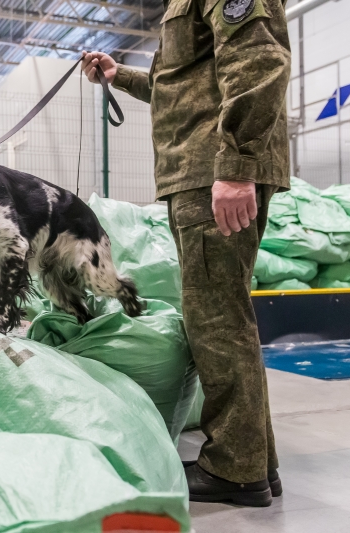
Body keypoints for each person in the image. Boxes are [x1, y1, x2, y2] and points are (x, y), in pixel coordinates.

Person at [82, 0, 291, 507]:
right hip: (198, 171)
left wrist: (237, 165)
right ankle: (253, 461)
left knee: (216, 318)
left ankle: (236, 471)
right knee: (224, 314)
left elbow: (261, 62)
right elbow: (183, 87)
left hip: (210, 171)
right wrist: (121, 75)